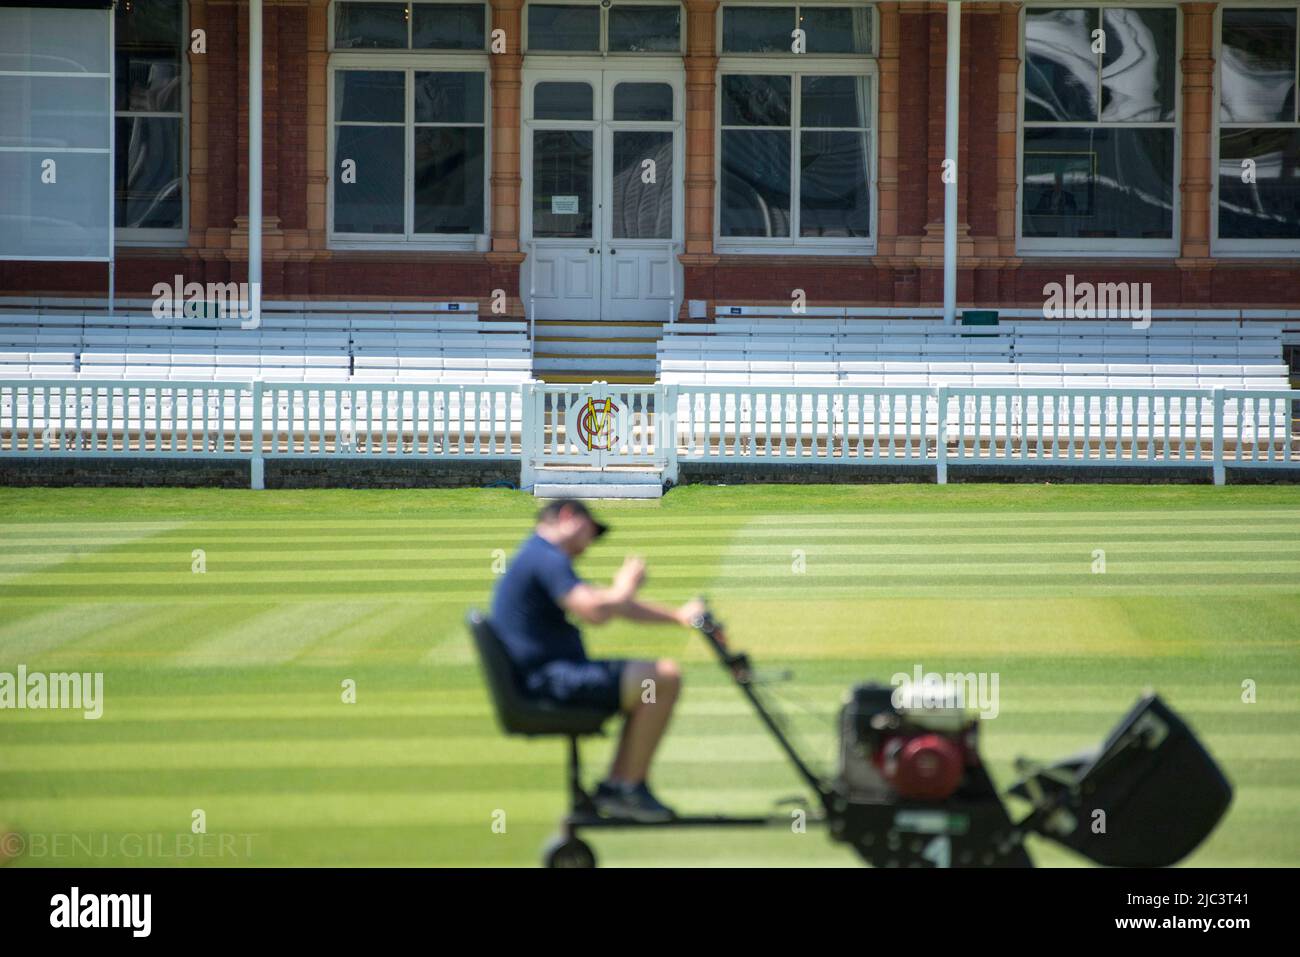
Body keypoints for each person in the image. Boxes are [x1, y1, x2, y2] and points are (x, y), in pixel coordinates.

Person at [490, 498, 712, 821]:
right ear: (568, 516)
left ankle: (620, 787)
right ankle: (627, 788)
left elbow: (609, 604)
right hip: (552, 682)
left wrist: (679, 617)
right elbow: (596, 612)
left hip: (552, 677)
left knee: (657, 679)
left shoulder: (540, 556)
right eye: (590, 532)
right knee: (663, 678)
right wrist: (625, 587)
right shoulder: (547, 558)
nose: (589, 544)